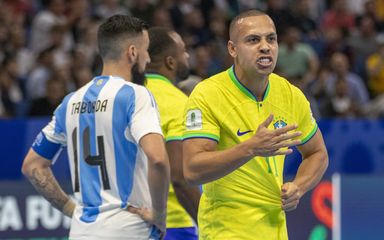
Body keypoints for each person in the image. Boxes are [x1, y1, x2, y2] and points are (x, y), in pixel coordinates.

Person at [182, 10, 329, 240]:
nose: (265, 46)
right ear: (232, 49)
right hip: (226, 231)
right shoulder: (208, 94)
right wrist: (251, 148)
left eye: (271, 38)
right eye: (253, 40)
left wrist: (298, 186)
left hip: (276, 230)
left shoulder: (291, 95)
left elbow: (317, 153)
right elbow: (192, 170)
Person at [21, 15, 170, 240]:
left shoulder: (70, 102)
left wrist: (72, 210)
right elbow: (158, 159)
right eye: (146, 50)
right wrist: (159, 214)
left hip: (82, 232)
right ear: (132, 52)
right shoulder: (135, 95)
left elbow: (32, 166)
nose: (148, 58)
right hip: (129, 229)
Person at [145, 27, 201, 240]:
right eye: (183, 51)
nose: (187, 56)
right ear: (170, 62)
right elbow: (180, 179)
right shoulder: (180, 103)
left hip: (128, 223)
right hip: (174, 224)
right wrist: (206, 224)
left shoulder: (126, 96)